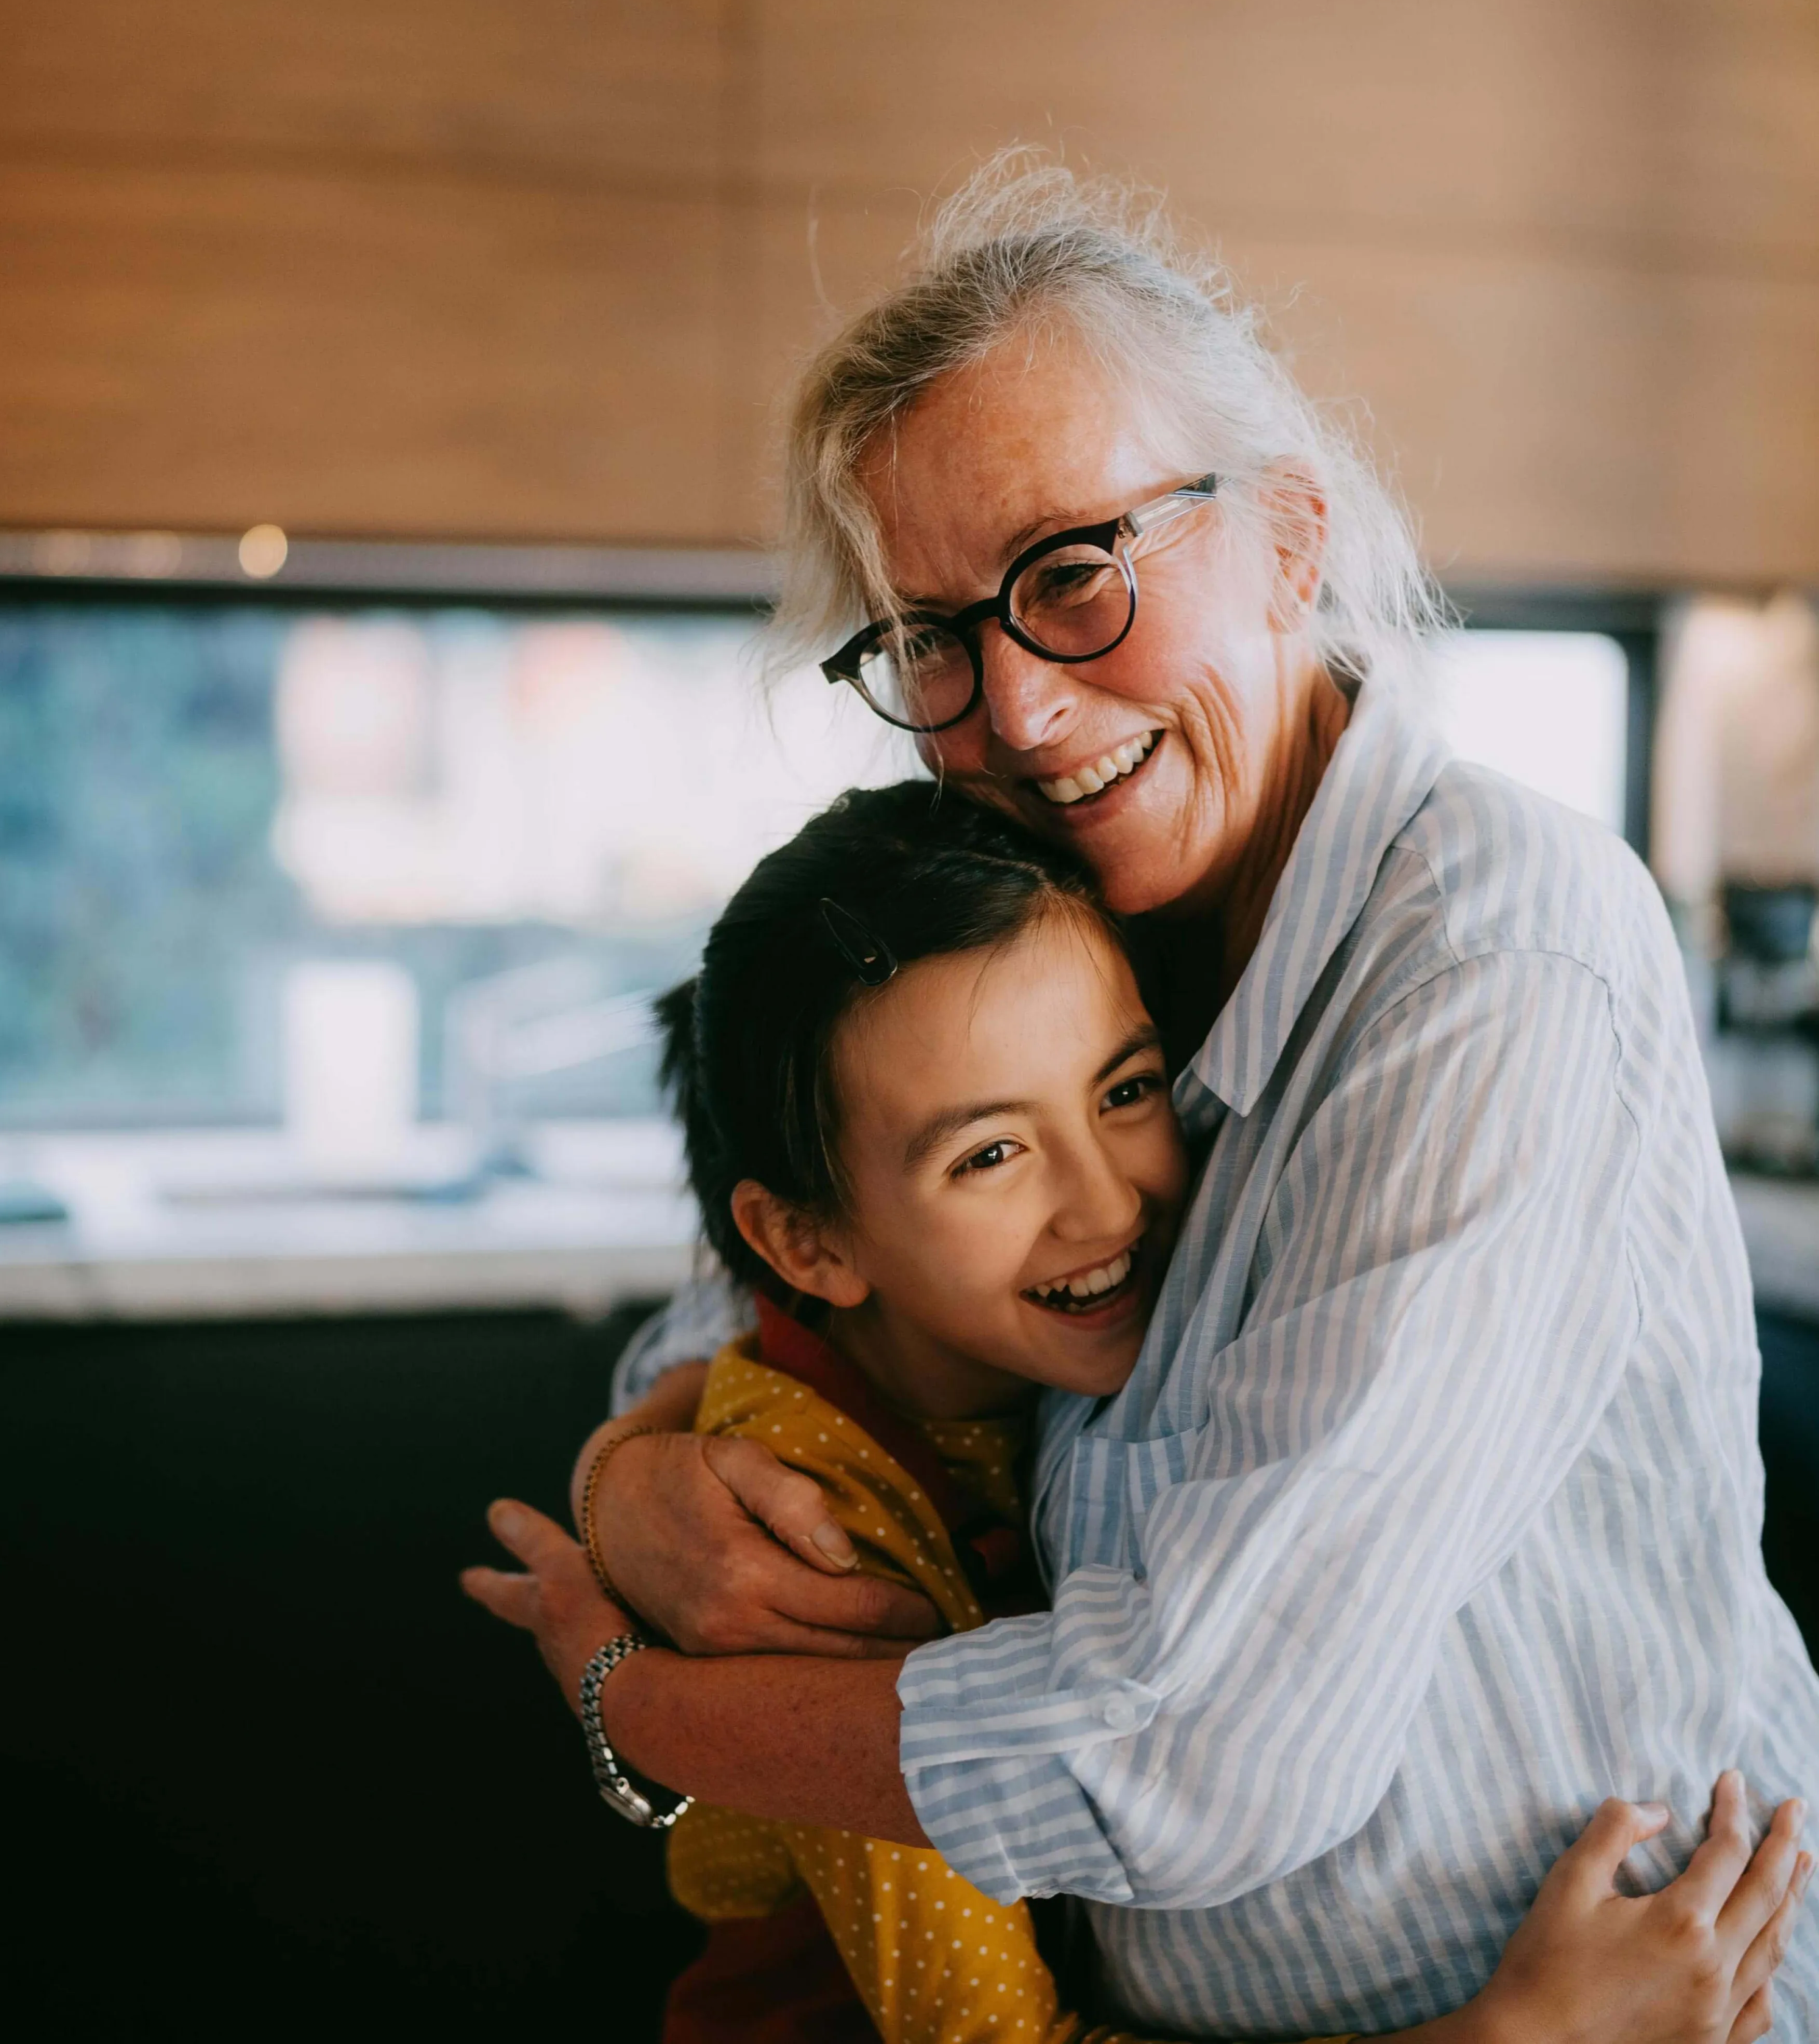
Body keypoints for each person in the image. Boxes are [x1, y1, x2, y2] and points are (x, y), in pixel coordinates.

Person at [489, 155, 1819, 2036]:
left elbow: (1210, 1751)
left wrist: (635, 1698)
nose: (1018, 713)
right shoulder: (1068, 900)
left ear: (1290, 537)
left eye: (1077, 572)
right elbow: (788, 1270)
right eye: (936, 638)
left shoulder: (1491, 953)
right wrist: (638, 1470)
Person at [468, 776, 1810, 2044]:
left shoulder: (1435, 956)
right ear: (809, 1246)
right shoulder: (818, 1555)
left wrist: (629, 1527)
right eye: (989, 1154)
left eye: (1127, 1090)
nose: (1108, 1206)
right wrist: (1518, 2033)